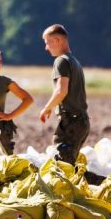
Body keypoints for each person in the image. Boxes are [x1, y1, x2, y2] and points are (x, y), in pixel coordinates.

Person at [39, 24, 90, 166]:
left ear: (56, 41)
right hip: (81, 122)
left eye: (47, 43)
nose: (46, 47)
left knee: (61, 166)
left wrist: (47, 108)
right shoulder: (74, 61)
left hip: (71, 123)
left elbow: (61, 90)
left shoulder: (61, 61)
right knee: (69, 166)